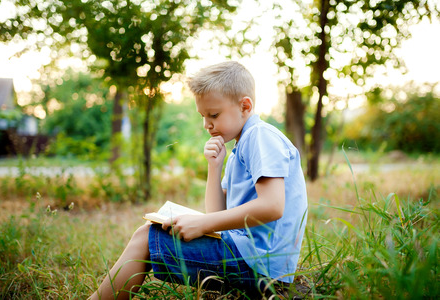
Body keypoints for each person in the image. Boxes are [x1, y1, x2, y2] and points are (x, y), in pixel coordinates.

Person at [89, 61, 308, 299]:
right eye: (203, 116)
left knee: (145, 237)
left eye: (214, 114)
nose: (207, 124)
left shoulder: (260, 136)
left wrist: (202, 224)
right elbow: (216, 212)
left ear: (245, 106)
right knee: (150, 232)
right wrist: (214, 167)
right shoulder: (238, 148)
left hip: (261, 266)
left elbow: (272, 206)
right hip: (252, 260)